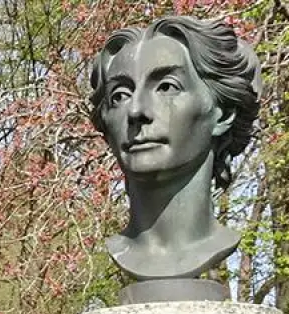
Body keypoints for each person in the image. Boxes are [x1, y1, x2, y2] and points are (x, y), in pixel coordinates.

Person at [88, 16, 261, 281]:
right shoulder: (116, 251)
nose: (136, 111)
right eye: (120, 95)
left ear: (223, 113)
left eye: (167, 87)